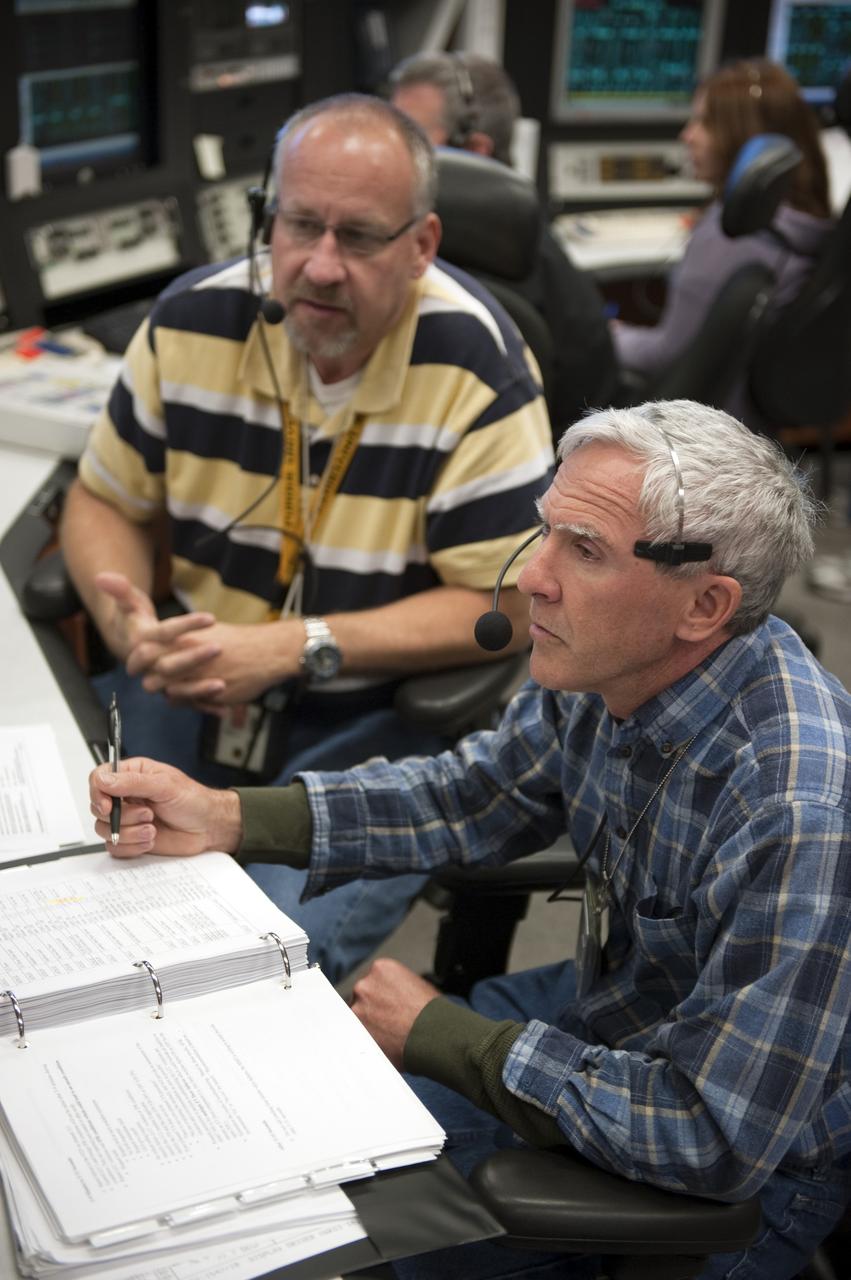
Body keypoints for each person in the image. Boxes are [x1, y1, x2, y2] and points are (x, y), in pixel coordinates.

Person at [90, 398, 851, 1280]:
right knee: (305, 1124)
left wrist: (453, 1041)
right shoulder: (607, 660)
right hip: (619, 1011)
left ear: (705, 604)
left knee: (342, 1242)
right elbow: (477, 794)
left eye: (586, 550)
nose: (533, 580)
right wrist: (230, 816)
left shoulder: (796, 808)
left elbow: (715, 1137)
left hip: (742, 1168)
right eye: (547, 533)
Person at [62, 93, 554, 983]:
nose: (319, 266)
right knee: (57, 893)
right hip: (194, 683)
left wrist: (295, 647)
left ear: (421, 246)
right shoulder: (189, 321)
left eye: (359, 237)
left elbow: (511, 604)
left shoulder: (476, 362)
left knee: (254, 965)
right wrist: (125, 620)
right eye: (298, 225)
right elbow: (102, 501)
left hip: (372, 719)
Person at [389, 50, 619, 439]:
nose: (388, 156)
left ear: (474, 150)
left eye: (409, 141)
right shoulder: (529, 251)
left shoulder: (434, 270)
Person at [613, 59, 834, 425]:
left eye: (703, 122)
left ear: (743, 136)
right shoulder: (807, 224)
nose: (688, 135)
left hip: (699, 430)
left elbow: (666, 355)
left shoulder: (733, 234)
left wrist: (610, 336)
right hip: (751, 427)